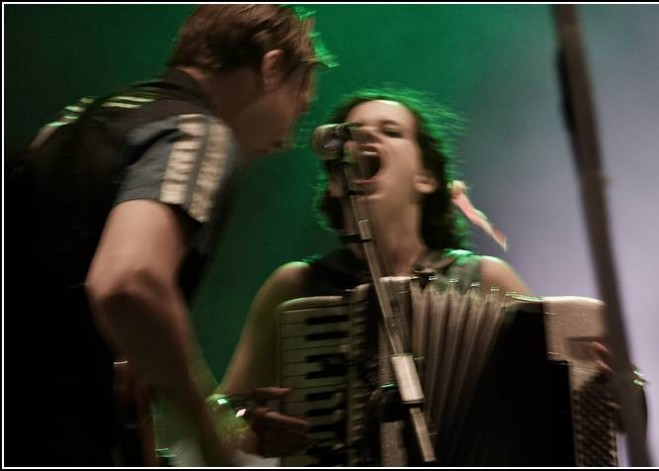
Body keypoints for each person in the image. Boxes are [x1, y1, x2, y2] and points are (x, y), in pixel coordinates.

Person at [4, 5, 334, 467]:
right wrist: (208, 437)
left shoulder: (72, 125)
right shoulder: (196, 130)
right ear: (272, 67)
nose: (288, 138)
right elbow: (130, 284)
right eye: (299, 106)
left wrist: (222, 411)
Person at [215, 88, 541, 464]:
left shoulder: (486, 279)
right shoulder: (295, 286)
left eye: (391, 131)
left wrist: (603, 379)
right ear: (336, 183)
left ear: (426, 177)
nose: (366, 136)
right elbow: (220, 410)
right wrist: (245, 423)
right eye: (352, 132)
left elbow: (560, 392)